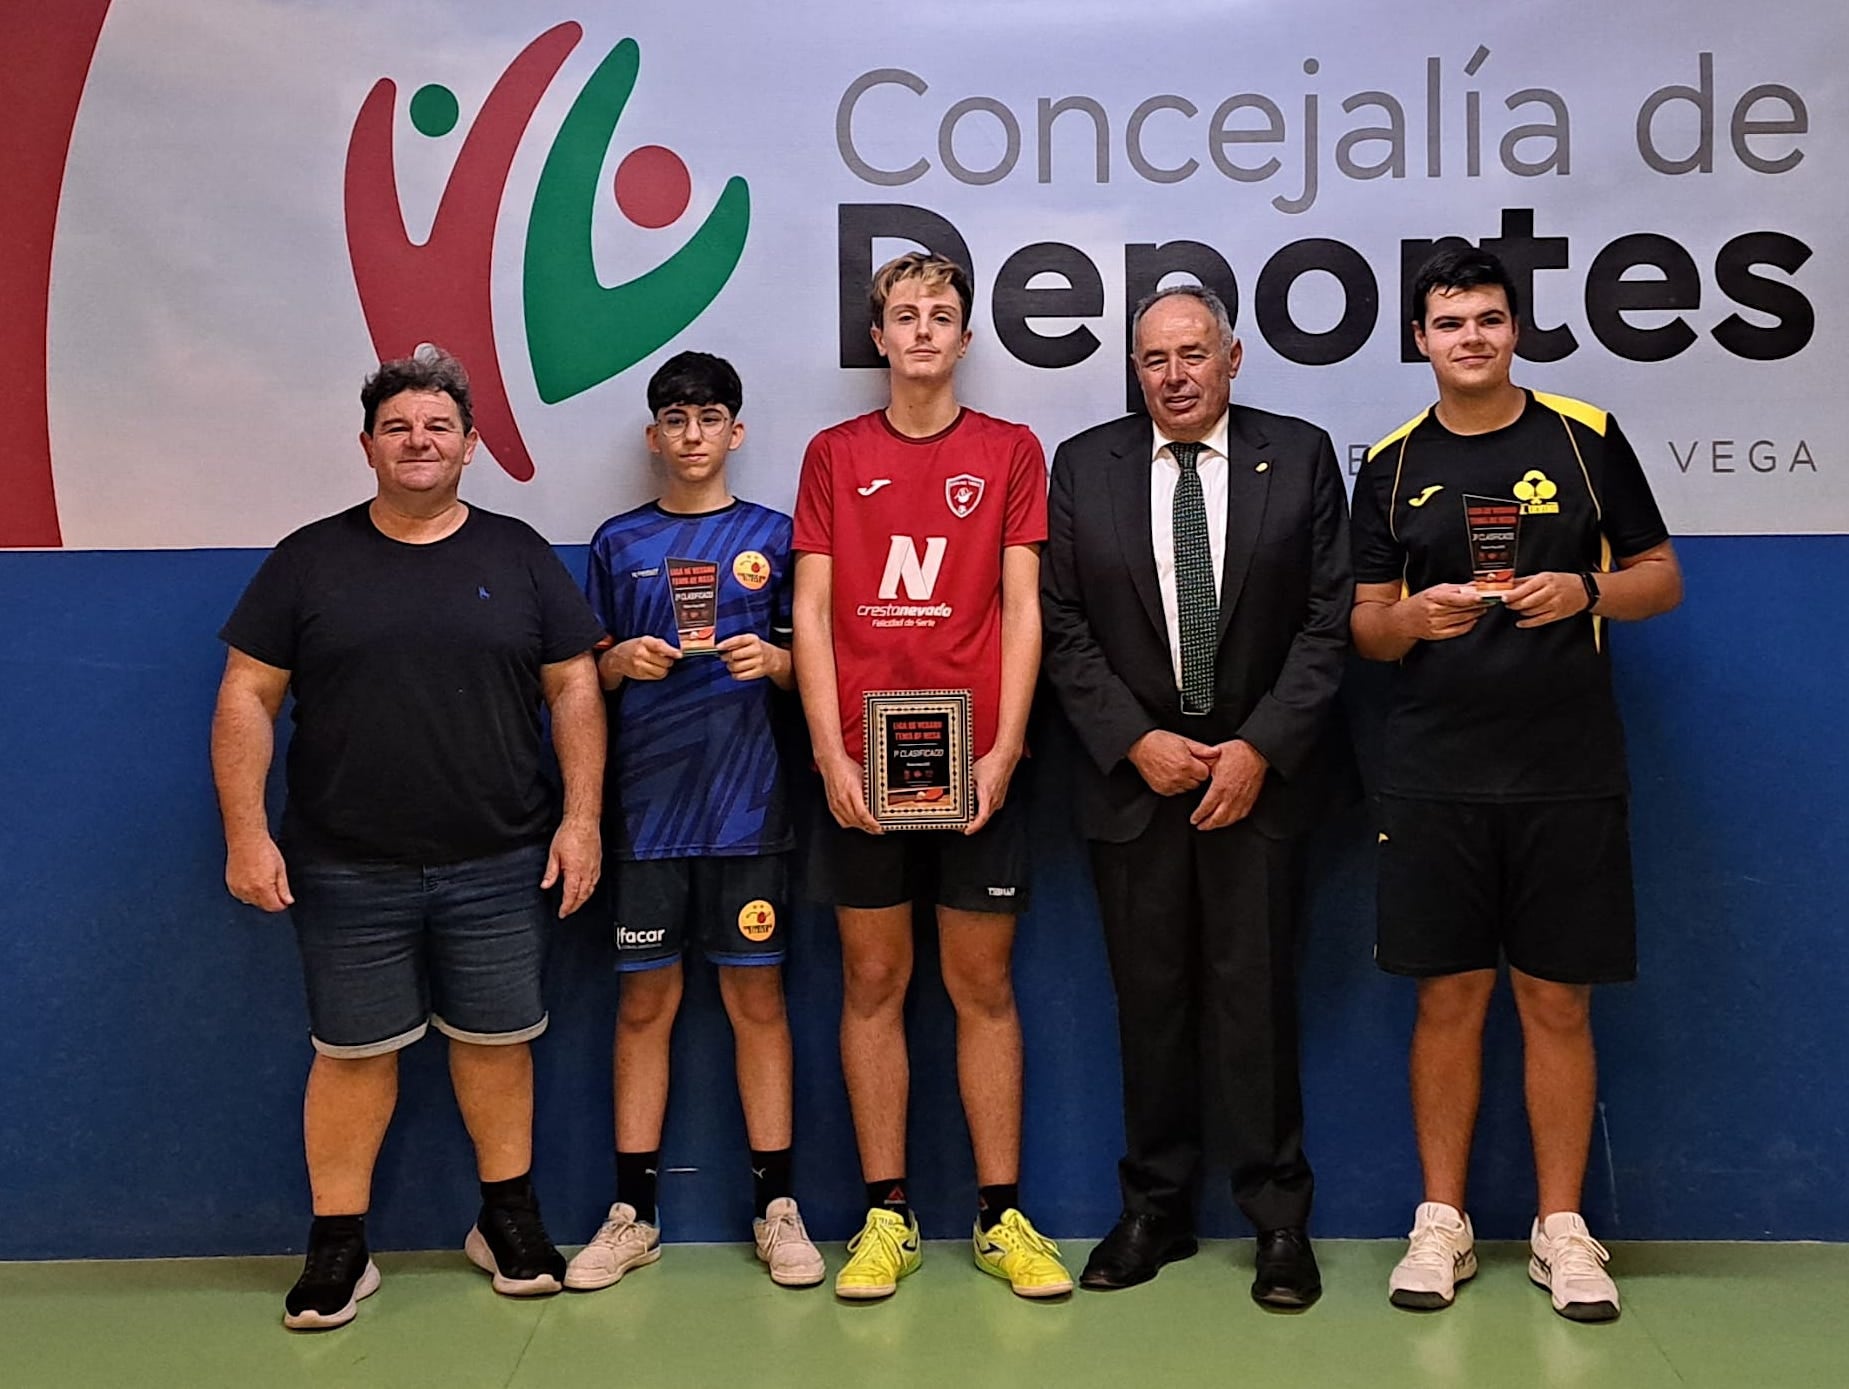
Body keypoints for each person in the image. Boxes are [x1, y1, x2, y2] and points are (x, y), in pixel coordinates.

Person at [211, 348, 607, 1329]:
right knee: (352, 1055)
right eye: (398, 427)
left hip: (501, 859)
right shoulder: (308, 560)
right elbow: (247, 695)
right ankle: (339, 1245)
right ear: (367, 447)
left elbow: (574, 687)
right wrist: (245, 834)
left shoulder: (518, 555)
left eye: (437, 427)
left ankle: (506, 1219)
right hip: (346, 865)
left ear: (470, 446)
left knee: (497, 1046)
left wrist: (582, 818)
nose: (418, 441)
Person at [1351, 247, 1682, 1321]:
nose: (1472, 339)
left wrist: (1586, 590)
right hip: (1434, 774)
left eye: (1488, 319)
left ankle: (1561, 1229)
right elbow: (1365, 626)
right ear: (1420, 341)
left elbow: (1660, 578)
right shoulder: (1392, 463)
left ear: (1515, 330)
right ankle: (1440, 1223)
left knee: (1555, 1001)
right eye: (1450, 323)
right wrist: (1411, 619)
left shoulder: (1584, 436)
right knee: (1447, 1000)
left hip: (1566, 771)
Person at [1040, 285, 1351, 1308]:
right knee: (1150, 1005)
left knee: (1256, 1004)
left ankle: (1277, 1221)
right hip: (1136, 785)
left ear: (1232, 357)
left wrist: (1260, 747)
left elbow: (1327, 618)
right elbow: (1062, 623)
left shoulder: (1297, 456)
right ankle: (1155, 1211)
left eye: (1191, 354)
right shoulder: (1085, 464)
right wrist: (1133, 740)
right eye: (1152, 359)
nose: (1172, 377)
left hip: (1258, 785)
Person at [791, 252, 1071, 1300]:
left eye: (940, 315)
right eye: (903, 315)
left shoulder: (1009, 451)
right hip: (862, 765)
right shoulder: (833, 454)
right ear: (878, 338)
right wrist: (828, 752)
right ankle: (886, 1216)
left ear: (964, 337)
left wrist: (1003, 747)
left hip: (977, 766)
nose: (921, 330)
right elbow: (810, 612)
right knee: (871, 983)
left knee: (981, 986)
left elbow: (1024, 608)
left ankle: (1001, 1217)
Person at [565, 351, 823, 1292]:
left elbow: (817, 665)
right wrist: (617, 662)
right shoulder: (617, 542)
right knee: (644, 1009)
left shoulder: (775, 537)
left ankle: (777, 1208)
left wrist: (779, 665)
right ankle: (632, 1214)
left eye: (709, 417)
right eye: (674, 419)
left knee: (759, 1005)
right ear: (653, 435)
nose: (691, 434)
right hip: (646, 820)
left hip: (748, 814)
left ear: (735, 431)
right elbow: (578, 675)